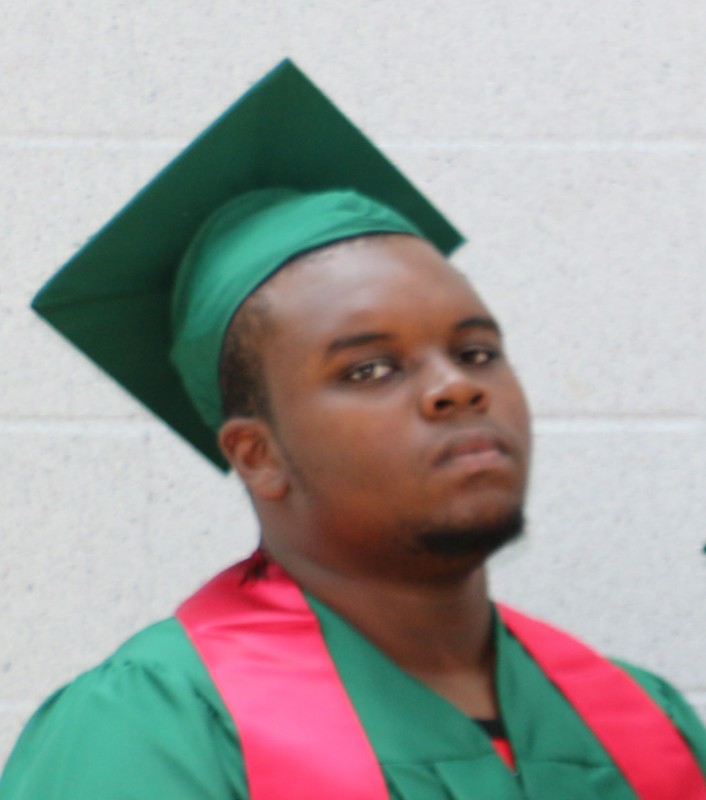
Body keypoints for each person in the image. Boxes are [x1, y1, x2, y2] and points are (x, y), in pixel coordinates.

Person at [2, 60, 706, 800]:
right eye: (370, 369)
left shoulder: (644, 721)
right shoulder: (155, 731)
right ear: (258, 454)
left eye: (476, 352)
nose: (456, 386)